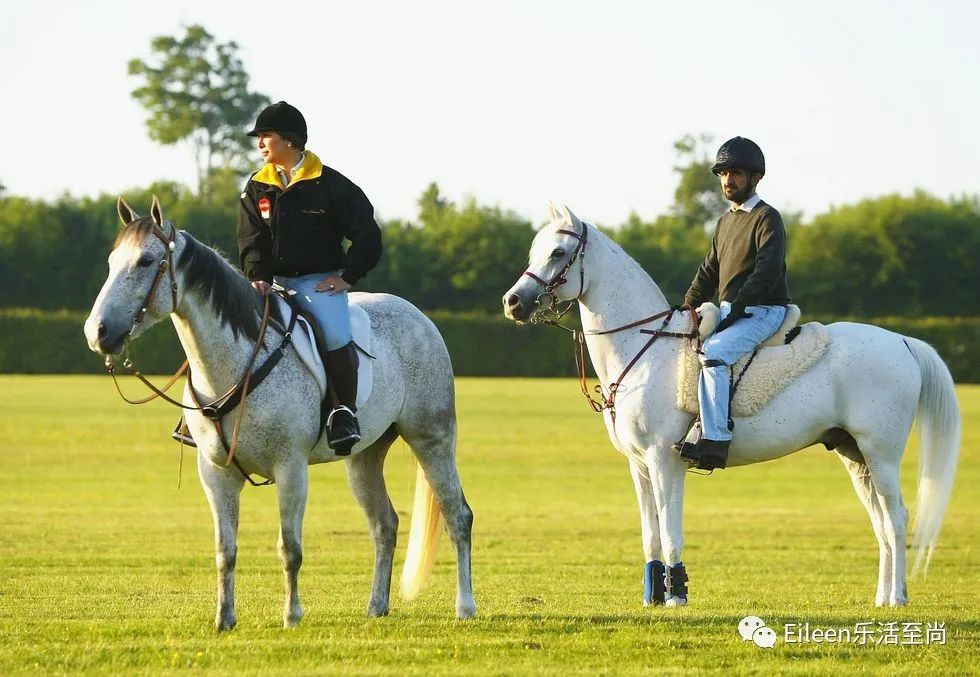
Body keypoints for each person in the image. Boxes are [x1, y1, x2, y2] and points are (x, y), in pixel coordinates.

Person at [237, 101, 382, 454]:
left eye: (265, 136)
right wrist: (257, 276)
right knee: (230, 326)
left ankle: (343, 412)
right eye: (258, 137)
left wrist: (347, 276)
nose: (259, 143)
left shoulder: (333, 185)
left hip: (316, 282)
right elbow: (251, 240)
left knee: (333, 333)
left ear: (289, 140)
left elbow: (367, 236)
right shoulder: (256, 187)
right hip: (269, 284)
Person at [675, 136, 791, 470]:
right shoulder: (725, 221)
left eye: (736, 173)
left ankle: (715, 442)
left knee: (713, 354)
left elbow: (766, 272)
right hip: (733, 310)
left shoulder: (768, 218)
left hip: (763, 310)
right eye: (724, 173)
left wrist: (737, 308)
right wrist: (687, 306)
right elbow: (709, 270)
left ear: (756, 177)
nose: (728, 180)